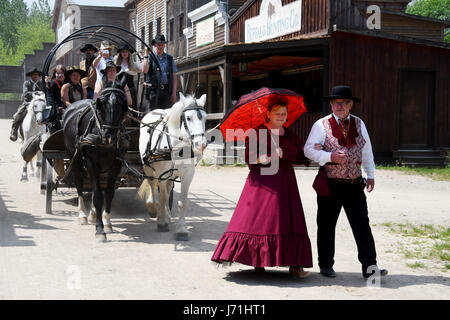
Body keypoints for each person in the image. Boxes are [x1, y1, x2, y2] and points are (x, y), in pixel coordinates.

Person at [211, 100, 313, 279]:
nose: (281, 117)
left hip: (286, 182)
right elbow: (250, 158)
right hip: (263, 183)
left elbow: (299, 155)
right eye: (277, 113)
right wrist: (266, 158)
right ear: (268, 114)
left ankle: (295, 266)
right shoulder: (257, 132)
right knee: (261, 220)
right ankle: (258, 262)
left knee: (287, 220)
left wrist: (315, 152)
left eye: (283, 114)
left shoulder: (289, 134)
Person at [303, 85, 388, 279]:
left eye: (343, 103)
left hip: (354, 183)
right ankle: (325, 264)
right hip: (330, 183)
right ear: (331, 105)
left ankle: (369, 267)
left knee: (362, 225)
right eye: (335, 103)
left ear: (350, 104)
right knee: (326, 225)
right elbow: (309, 150)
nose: (339, 106)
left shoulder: (359, 124)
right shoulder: (320, 125)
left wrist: (371, 173)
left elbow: (366, 150)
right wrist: (329, 155)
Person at [10, 67, 45, 141]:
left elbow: (44, 92)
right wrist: (34, 93)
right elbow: (25, 93)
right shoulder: (26, 83)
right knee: (17, 115)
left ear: (38, 76)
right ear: (31, 76)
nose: (35, 76)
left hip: (38, 103)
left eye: (37, 75)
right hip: (28, 104)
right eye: (34, 75)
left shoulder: (41, 83)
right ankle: (14, 131)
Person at [144, 34, 177, 111]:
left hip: (166, 92)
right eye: (159, 44)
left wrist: (174, 93)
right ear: (155, 45)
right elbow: (144, 70)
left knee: (167, 116)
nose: (160, 46)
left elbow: (174, 76)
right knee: (154, 116)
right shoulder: (150, 57)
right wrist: (146, 55)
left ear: (164, 46)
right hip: (154, 91)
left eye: (162, 44)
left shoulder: (169, 58)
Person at [114, 43, 148, 109]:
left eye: (126, 52)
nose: (125, 53)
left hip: (131, 89)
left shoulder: (134, 64)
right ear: (120, 53)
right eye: (123, 52)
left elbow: (144, 69)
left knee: (132, 107)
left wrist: (144, 57)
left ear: (129, 53)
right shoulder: (115, 64)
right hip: (118, 90)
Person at [44, 64, 66, 129]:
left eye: (62, 73)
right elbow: (51, 99)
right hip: (56, 109)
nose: (60, 75)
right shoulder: (53, 83)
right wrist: (58, 108)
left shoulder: (65, 83)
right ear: (55, 74)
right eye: (58, 73)